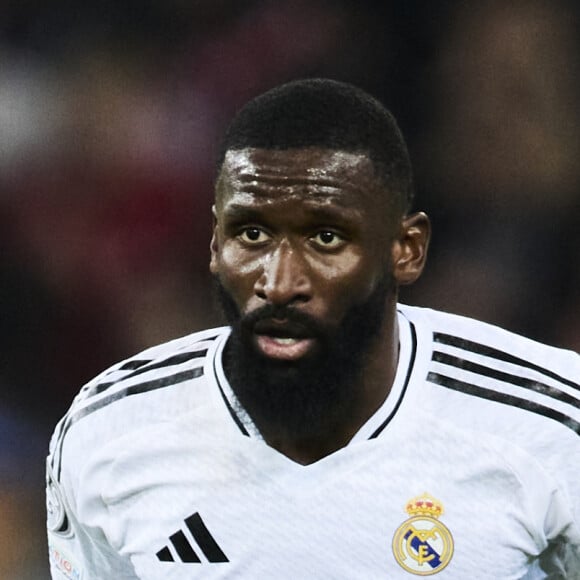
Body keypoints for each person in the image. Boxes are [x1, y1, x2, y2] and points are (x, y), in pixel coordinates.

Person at [46, 79, 580, 578]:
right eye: (251, 233)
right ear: (215, 243)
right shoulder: (108, 434)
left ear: (407, 250)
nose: (279, 283)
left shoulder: (549, 422)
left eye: (325, 237)